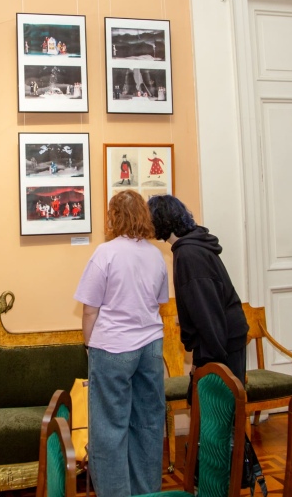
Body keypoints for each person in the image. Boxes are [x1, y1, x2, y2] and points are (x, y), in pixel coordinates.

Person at [73, 190, 169, 497]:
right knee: (148, 424)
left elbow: (90, 310)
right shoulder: (155, 255)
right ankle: (147, 493)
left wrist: (89, 345)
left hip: (112, 347)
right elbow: (159, 301)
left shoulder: (106, 253)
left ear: (113, 217)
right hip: (150, 346)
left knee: (108, 429)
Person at [147, 195, 249, 394]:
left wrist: (209, 361)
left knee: (218, 407)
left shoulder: (188, 254)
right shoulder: (192, 246)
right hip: (221, 338)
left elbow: (207, 311)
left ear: (161, 221)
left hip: (220, 343)